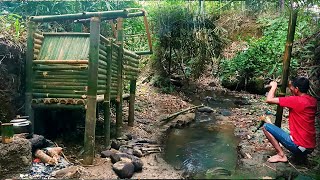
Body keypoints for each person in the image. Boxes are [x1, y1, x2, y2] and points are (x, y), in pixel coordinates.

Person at [262, 76, 317, 163]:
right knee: (294, 133)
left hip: (298, 147)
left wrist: (274, 86)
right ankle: (302, 156)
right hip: (310, 147)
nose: (290, 88)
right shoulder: (313, 101)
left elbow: (269, 100)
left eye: (291, 86)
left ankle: (281, 155)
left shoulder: (295, 101)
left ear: (297, 89)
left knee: (266, 126)